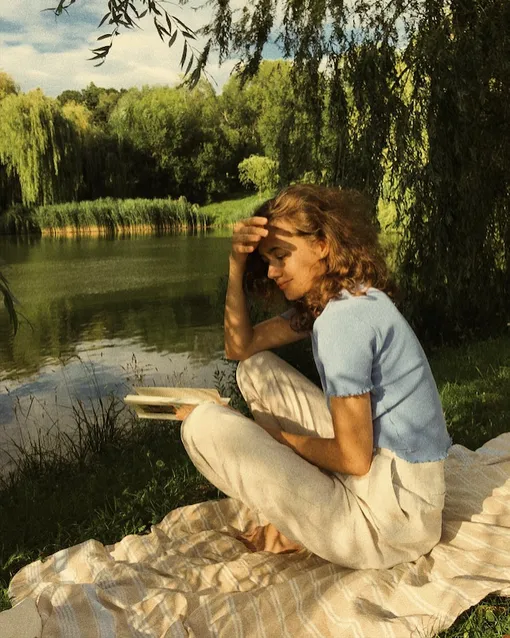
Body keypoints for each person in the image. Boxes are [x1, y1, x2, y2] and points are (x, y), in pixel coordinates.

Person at [177, 184, 451, 570]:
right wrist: (235, 267)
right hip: (401, 492)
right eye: (266, 260)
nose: (272, 272)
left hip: (390, 527)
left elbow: (354, 458)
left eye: (281, 256)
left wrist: (276, 440)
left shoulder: (341, 323)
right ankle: (297, 515)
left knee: (201, 425)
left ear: (321, 244)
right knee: (255, 369)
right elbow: (240, 347)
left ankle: (296, 523)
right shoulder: (347, 297)